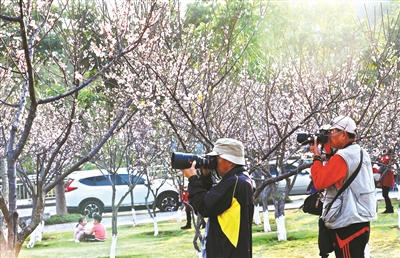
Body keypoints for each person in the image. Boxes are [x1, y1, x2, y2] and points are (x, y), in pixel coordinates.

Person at [310, 115, 377, 258]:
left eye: (333, 131)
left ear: (344, 134)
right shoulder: (359, 152)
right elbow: (338, 177)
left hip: (348, 224)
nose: (329, 136)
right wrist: (328, 152)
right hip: (360, 219)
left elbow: (320, 182)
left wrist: (316, 157)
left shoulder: (343, 157)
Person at [181, 138, 254, 258]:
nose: (214, 162)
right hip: (232, 250)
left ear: (230, 161)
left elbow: (204, 207)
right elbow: (213, 201)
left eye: (217, 158)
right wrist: (206, 176)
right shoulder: (241, 179)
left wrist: (193, 179)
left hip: (226, 251)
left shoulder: (234, 182)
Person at [377, 149, 395, 213]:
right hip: (386, 178)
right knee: (385, 194)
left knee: (385, 194)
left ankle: (389, 208)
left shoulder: (389, 158)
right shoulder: (388, 158)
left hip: (386, 179)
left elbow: (383, 163)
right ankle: (389, 208)